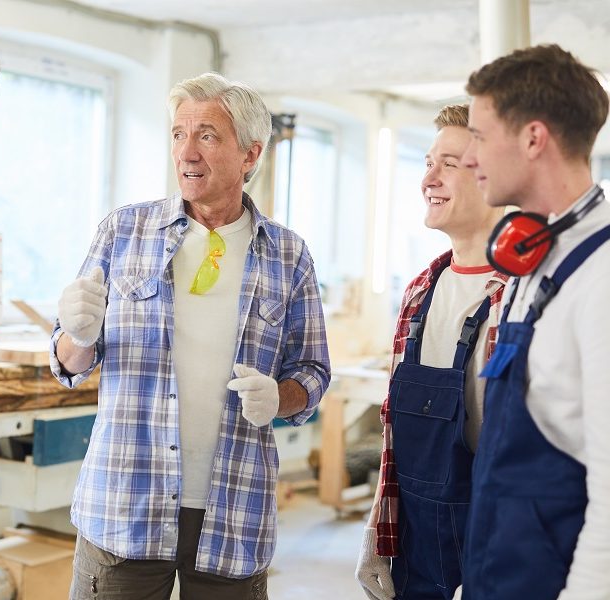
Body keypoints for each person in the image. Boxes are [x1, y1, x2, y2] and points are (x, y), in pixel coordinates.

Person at [51, 72, 330, 599]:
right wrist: (79, 333)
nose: (187, 151)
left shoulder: (289, 255)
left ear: (250, 155)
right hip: (126, 505)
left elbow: (312, 372)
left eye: (206, 135)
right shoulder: (123, 231)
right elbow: (68, 361)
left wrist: (280, 398)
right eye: (179, 134)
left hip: (233, 510)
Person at [460, 45, 610, 600]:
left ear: (532, 138)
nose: (470, 156)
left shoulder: (601, 277)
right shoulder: (533, 256)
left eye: (479, 135)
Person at [355, 104, 509, 600]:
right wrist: (377, 532)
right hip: (417, 553)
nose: (428, 179)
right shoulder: (421, 290)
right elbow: (395, 437)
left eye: (448, 163)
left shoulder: (523, 294)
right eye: (427, 162)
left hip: (497, 550)